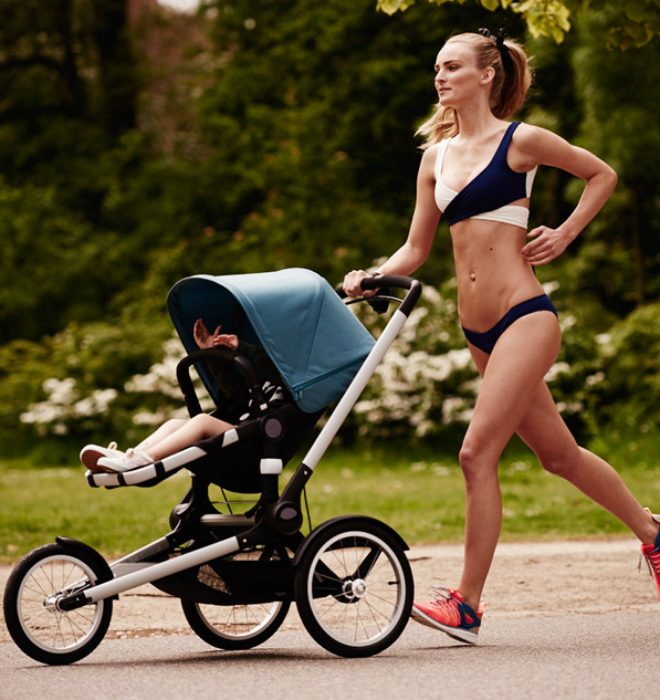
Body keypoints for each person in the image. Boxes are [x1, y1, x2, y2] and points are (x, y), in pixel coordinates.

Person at [342, 28, 660, 645]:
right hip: (478, 330)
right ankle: (655, 535)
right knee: (557, 456)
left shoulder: (521, 142)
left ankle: (467, 603)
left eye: (452, 66)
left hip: (525, 316)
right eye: (436, 67)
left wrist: (564, 234)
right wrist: (372, 274)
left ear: (486, 74)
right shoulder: (434, 156)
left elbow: (602, 174)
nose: (440, 76)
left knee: (474, 453)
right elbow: (416, 247)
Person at [79, 319, 286, 473]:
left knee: (202, 421)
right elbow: (233, 395)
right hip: (238, 439)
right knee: (174, 424)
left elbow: (269, 364)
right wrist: (211, 353)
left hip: (256, 445)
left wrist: (242, 347)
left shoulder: (288, 384)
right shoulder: (257, 387)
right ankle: (130, 458)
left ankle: (144, 459)